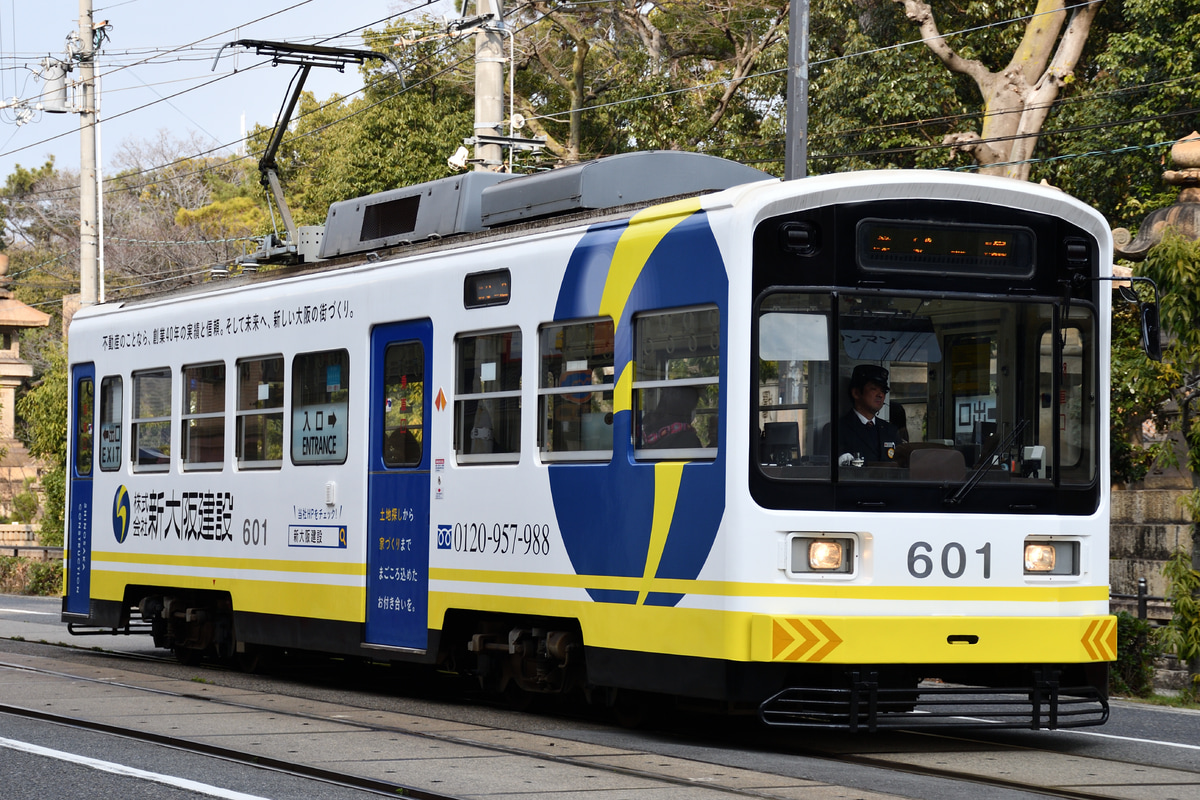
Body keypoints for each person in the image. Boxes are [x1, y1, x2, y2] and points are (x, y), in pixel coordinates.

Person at [838, 364, 900, 465]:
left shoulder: (890, 431)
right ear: (856, 393)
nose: (880, 395)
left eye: (883, 391)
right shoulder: (837, 430)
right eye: (874, 388)